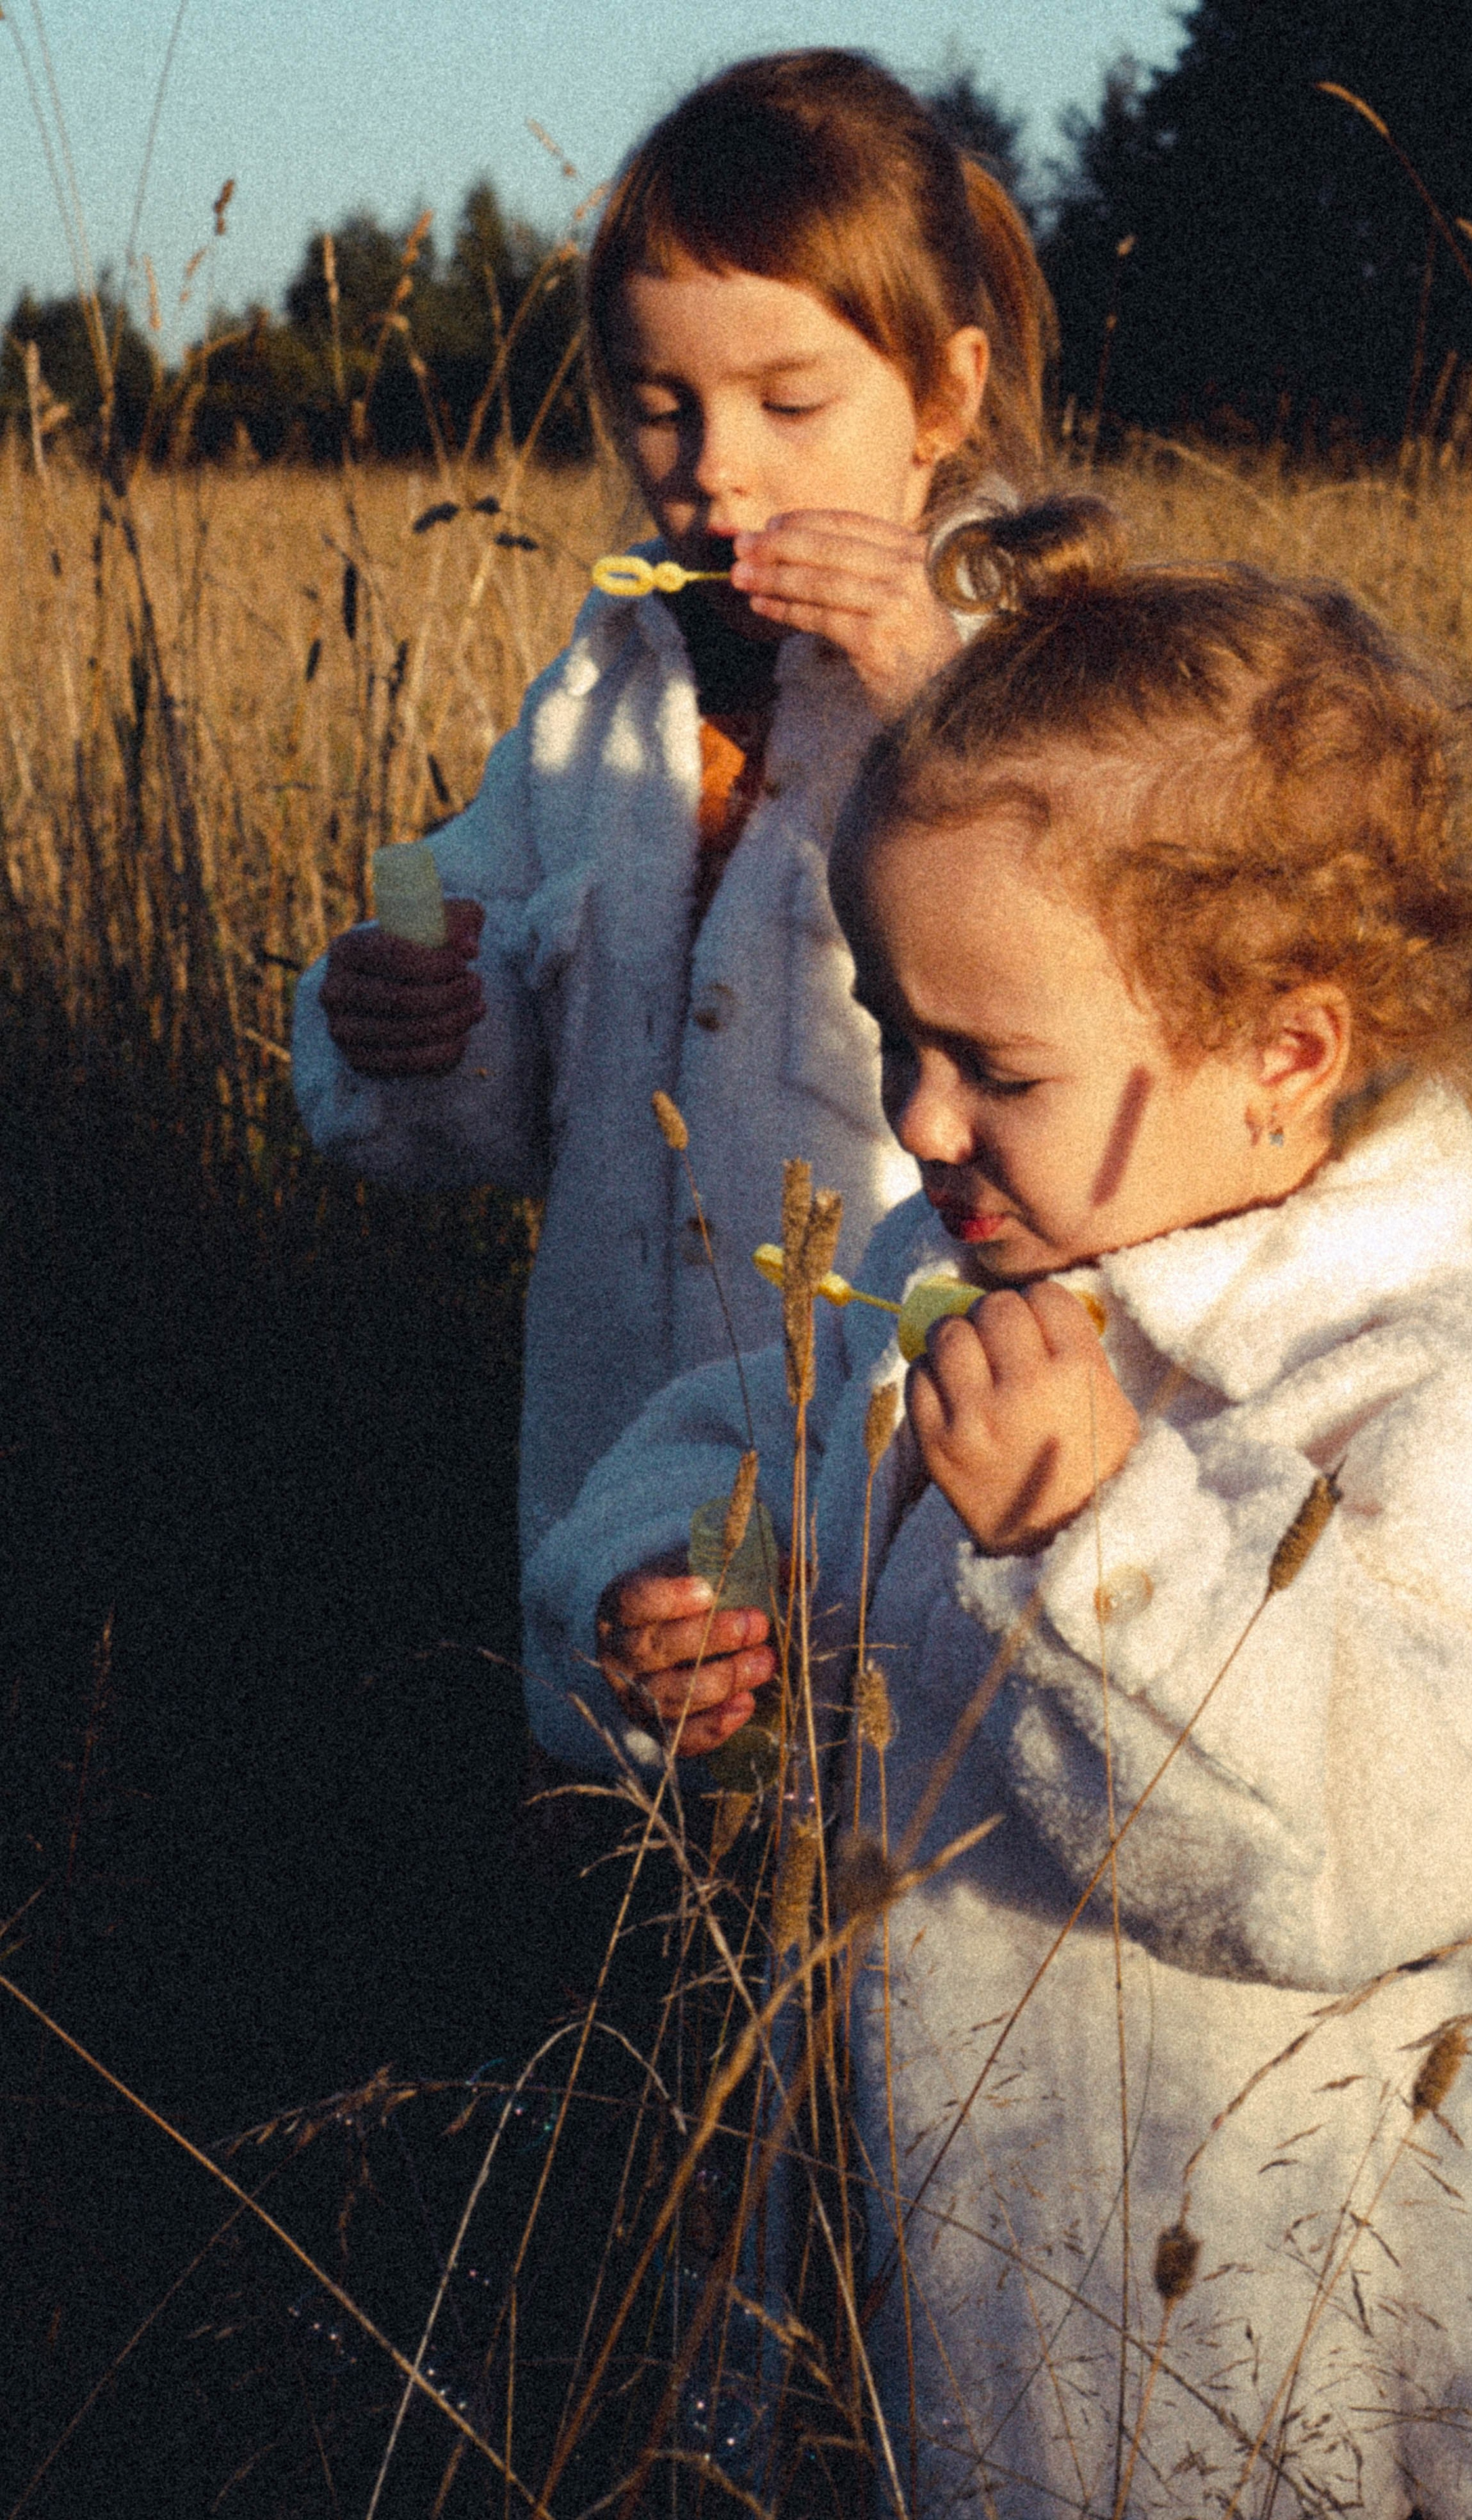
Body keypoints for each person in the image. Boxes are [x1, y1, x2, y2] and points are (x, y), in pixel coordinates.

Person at [528, 499, 1472, 2514]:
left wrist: (1105, 1544)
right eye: (894, 1037)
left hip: (1254, 2391)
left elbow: (1438, 1819)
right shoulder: (943, 1262)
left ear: (1282, 1055)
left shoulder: (1431, 1377)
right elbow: (750, 1423)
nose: (919, 1118)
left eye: (998, 1067)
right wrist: (678, 1578)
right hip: (900, 2319)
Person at [289, 51, 1052, 1760]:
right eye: (660, 403)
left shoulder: (1029, 673)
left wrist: (942, 700)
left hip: (901, 1466)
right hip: (620, 1485)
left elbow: (1117, 967)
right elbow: (489, 1091)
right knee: (648, 1923)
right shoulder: (605, 690)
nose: (719, 471)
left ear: (943, 396)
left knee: (863, 1912)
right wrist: (409, 1029)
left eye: (792, 406)